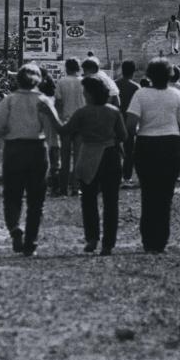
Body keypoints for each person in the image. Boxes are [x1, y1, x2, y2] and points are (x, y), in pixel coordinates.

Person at [42, 76, 126, 255]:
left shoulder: (82, 113)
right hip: (110, 155)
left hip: (88, 156)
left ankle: (92, 238)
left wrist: (51, 113)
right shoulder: (113, 112)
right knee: (111, 202)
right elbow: (124, 135)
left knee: (89, 200)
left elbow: (63, 130)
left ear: (89, 94)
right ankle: (108, 243)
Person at [125, 58, 180, 253]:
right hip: (170, 146)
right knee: (165, 196)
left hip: (146, 145)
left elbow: (130, 125)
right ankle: (161, 241)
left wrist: (131, 144)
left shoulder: (140, 95)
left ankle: (148, 241)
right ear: (170, 75)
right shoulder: (176, 95)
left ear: (149, 75)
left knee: (148, 195)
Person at [0, 64, 58, 256]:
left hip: (14, 148)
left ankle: (14, 229)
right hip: (37, 148)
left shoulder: (9, 100)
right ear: (39, 80)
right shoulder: (43, 100)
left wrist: (1, 134)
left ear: (17, 80)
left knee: (12, 195)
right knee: (36, 199)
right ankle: (31, 240)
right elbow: (51, 130)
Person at [54, 58, 85, 196]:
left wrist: (59, 118)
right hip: (80, 121)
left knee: (64, 156)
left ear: (66, 68)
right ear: (78, 68)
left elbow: (58, 102)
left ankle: (63, 187)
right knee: (78, 156)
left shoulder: (61, 82)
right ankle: (76, 186)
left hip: (66, 121)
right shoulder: (84, 82)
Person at [116, 60, 140, 186]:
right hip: (130, 121)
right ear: (133, 72)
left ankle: (115, 175)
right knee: (129, 151)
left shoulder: (115, 84)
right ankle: (127, 177)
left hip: (115, 120)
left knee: (115, 150)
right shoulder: (136, 87)